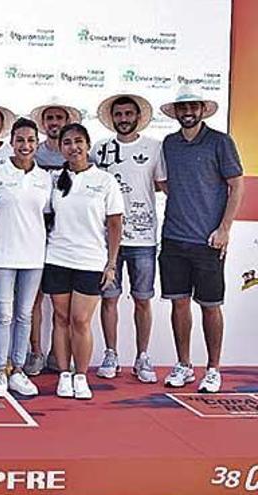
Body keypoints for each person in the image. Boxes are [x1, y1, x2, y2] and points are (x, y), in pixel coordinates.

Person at [158, 86, 243, 393]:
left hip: (208, 242)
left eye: (192, 106)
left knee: (210, 306)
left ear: (202, 109)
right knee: (179, 305)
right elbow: (164, 181)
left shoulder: (221, 142)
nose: (187, 112)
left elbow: (237, 185)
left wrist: (224, 229)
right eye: (182, 108)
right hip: (173, 239)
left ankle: (213, 369)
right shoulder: (169, 144)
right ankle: (183, 365)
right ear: (176, 112)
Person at [43, 123, 123, 400]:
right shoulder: (54, 179)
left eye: (78, 141)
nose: (73, 147)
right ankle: (64, 375)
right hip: (56, 258)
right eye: (67, 142)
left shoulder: (105, 181)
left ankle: (81, 375)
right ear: (61, 147)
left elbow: (114, 224)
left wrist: (111, 264)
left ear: (88, 145)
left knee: (81, 320)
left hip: (91, 261)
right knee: (61, 318)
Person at [91, 93, 167, 383]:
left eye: (128, 114)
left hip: (144, 240)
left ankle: (142, 357)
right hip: (106, 241)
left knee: (142, 299)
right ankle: (111, 353)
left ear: (138, 117)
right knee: (109, 299)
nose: (123, 119)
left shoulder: (154, 148)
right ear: (112, 118)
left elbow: (163, 186)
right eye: (118, 114)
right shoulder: (99, 150)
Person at [0, 118, 52, 397]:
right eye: (20, 140)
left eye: (31, 140)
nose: (25, 145)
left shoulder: (44, 178)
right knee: (4, 315)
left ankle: (19, 370)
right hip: (1, 255)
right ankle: (1, 370)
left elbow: (46, 216)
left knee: (24, 315)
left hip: (33, 257)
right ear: (12, 142)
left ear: (37, 143)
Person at [24, 98, 83, 376]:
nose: (55, 123)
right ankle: (35, 351)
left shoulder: (80, 157)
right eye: (50, 118)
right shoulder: (33, 155)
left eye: (60, 118)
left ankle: (57, 355)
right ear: (43, 124)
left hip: (68, 241)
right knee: (34, 299)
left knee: (65, 306)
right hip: (36, 236)